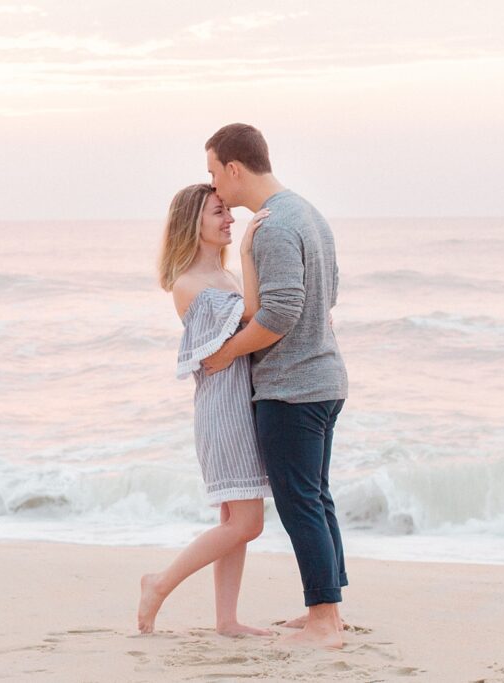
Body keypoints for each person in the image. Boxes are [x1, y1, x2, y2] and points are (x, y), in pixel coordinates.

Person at [200, 123, 349, 649]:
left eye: (215, 173)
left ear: (235, 169)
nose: (214, 186)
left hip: (294, 387)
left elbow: (281, 312)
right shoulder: (306, 212)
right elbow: (327, 295)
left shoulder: (277, 226)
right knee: (316, 498)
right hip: (324, 380)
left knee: (300, 503)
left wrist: (224, 354)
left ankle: (325, 620)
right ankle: (328, 607)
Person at [137, 183, 273, 636]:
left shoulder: (228, 278)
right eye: (219, 212)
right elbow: (254, 316)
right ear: (193, 222)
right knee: (248, 523)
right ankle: (160, 583)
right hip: (222, 411)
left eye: (230, 213)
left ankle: (226, 620)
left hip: (242, 405)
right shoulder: (188, 285)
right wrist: (255, 244)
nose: (230, 220)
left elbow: (251, 322)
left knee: (233, 521)